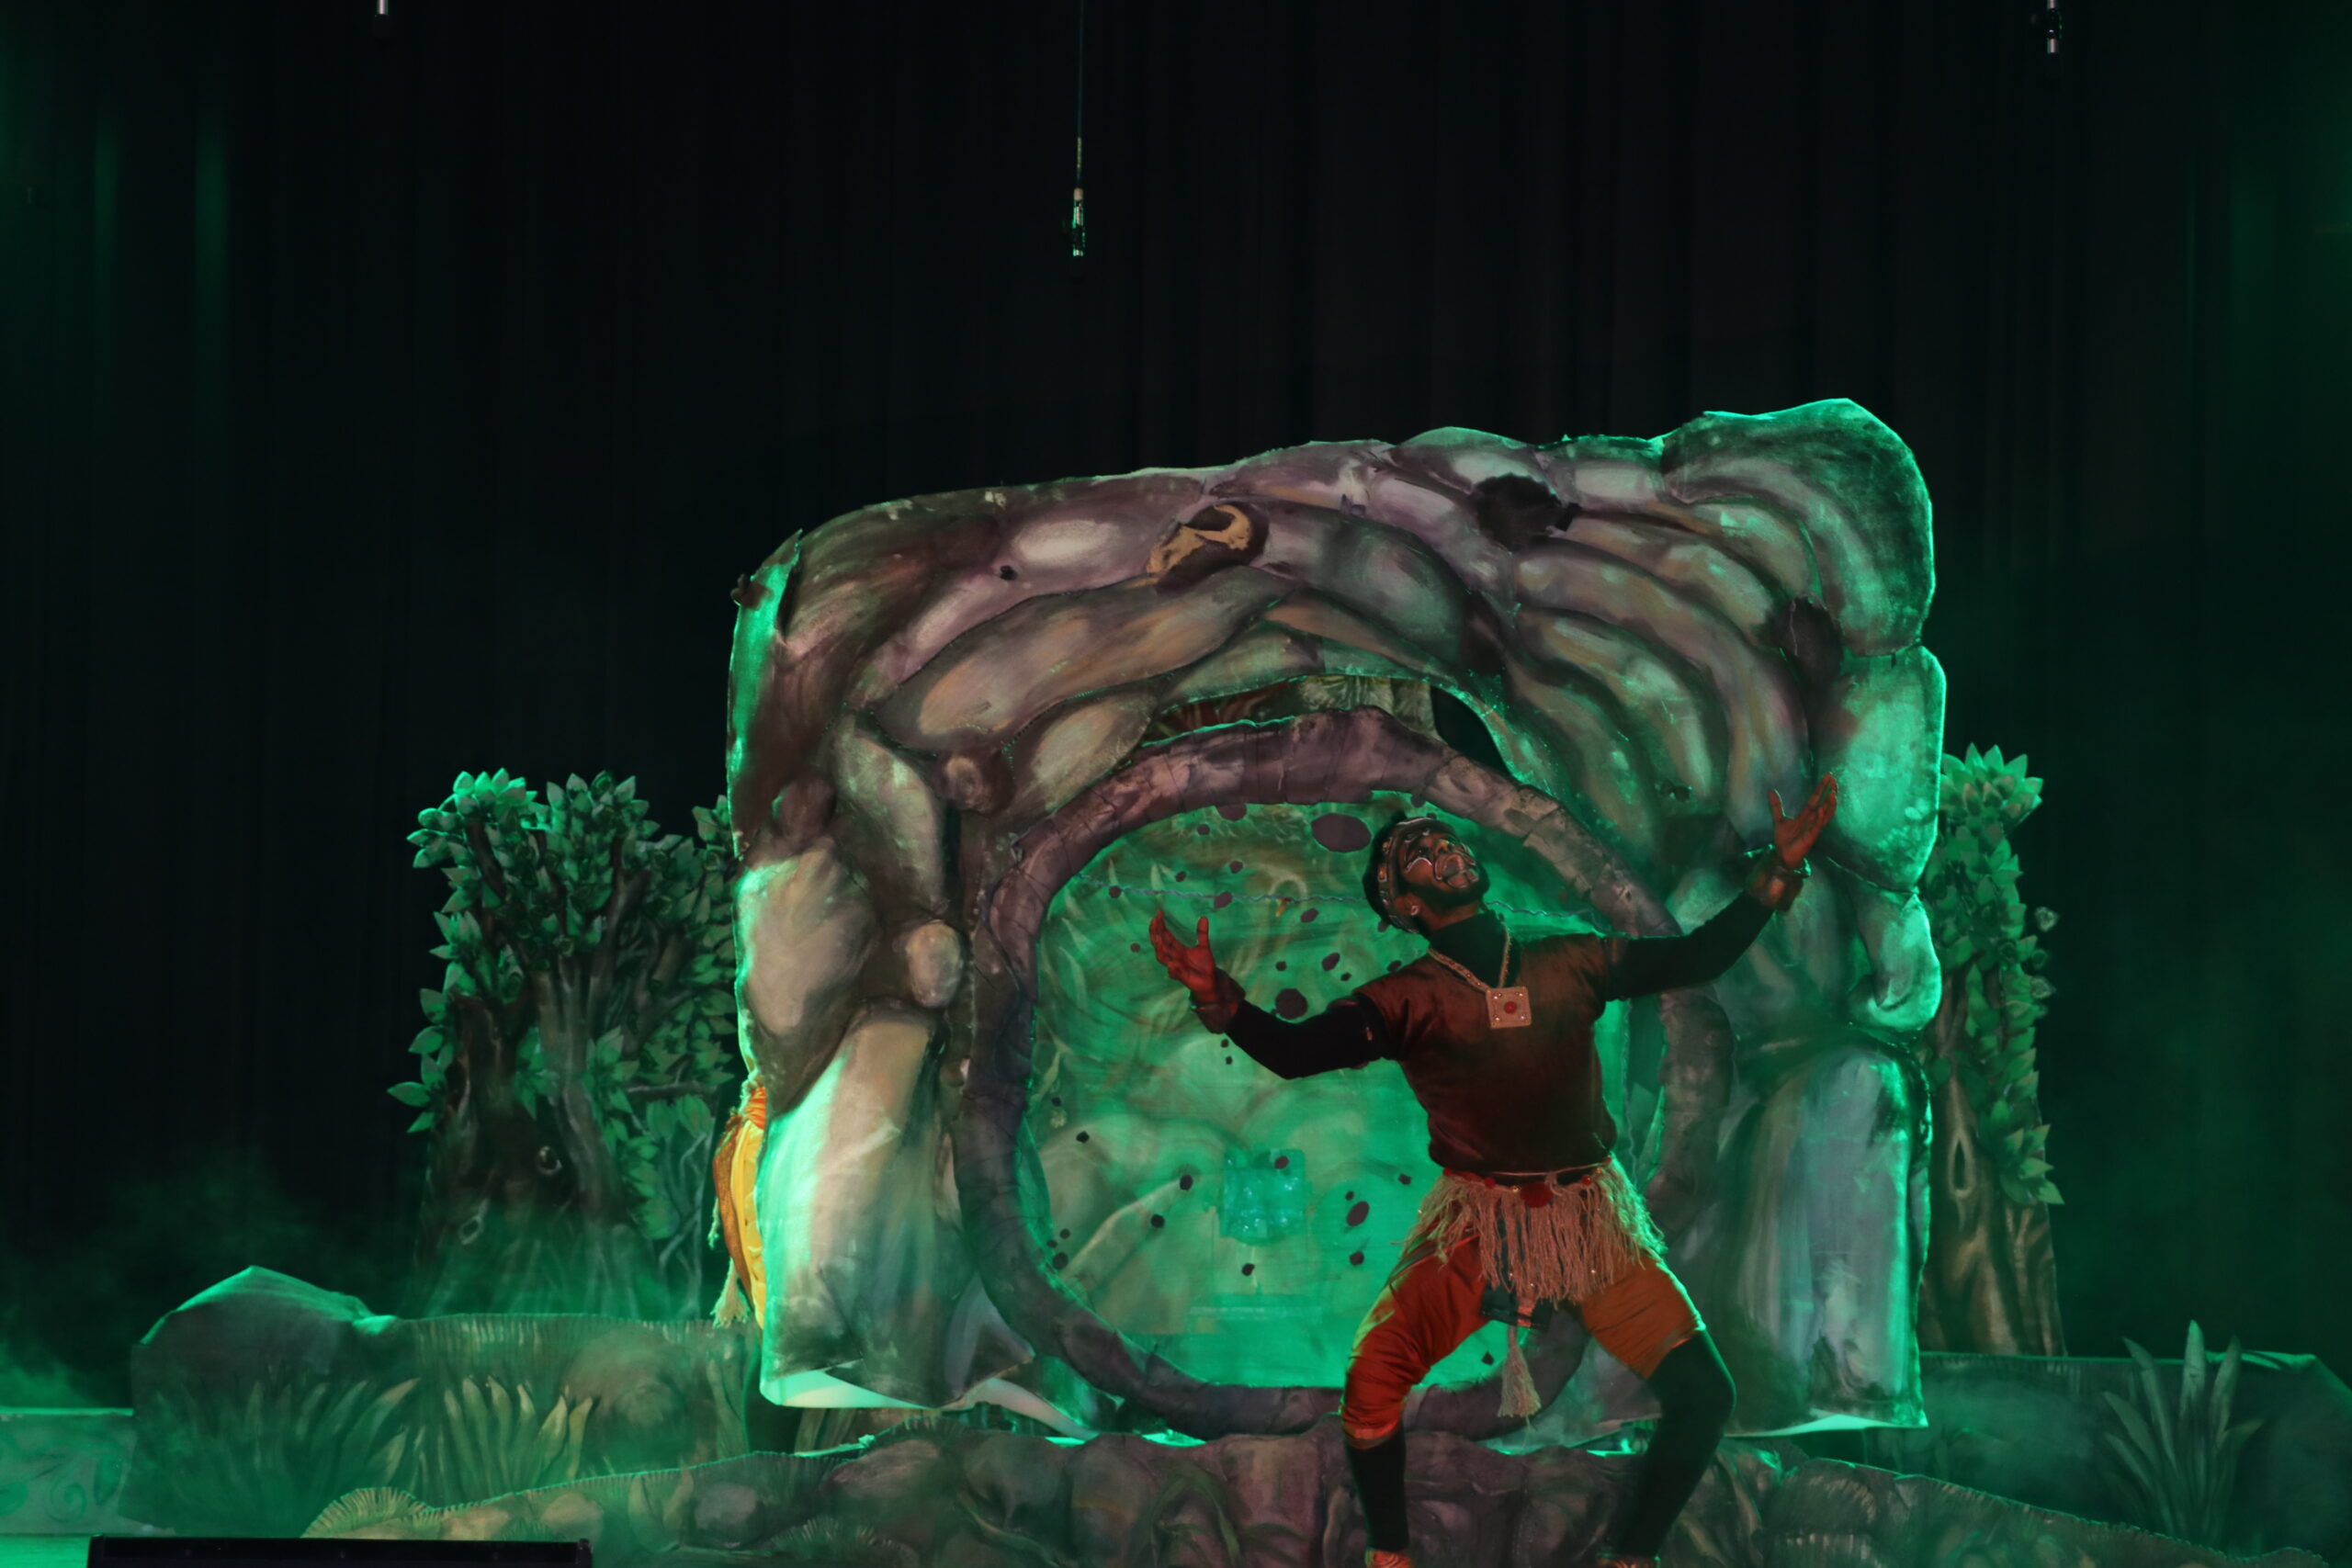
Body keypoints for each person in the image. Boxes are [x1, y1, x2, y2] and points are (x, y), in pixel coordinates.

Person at [1146, 776, 1838, 1568]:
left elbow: (1696, 956)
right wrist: (1222, 1002)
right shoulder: (1407, 998)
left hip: (1591, 1223)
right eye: (1415, 851)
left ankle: (1630, 1559)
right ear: (1402, 903)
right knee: (1372, 1379)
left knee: (1705, 1392)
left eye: (1442, 837)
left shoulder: (1568, 958)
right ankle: (1390, 1560)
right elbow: (1300, 1053)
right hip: (1480, 1227)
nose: (1440, 846)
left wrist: (1778, 871)